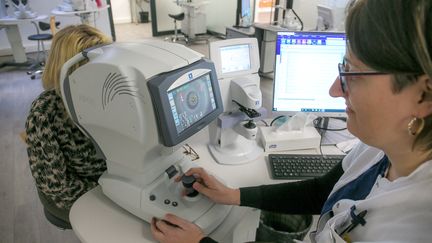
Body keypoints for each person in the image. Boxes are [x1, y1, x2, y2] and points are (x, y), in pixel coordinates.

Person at [150, 0, 432, 242]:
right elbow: (321, 192)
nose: (334, 90)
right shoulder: (384, 147)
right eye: (342, 67)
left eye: (353, 73)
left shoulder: (415, 227)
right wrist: (233, 194)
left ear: (423, 95)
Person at [25, 24, 111, 223]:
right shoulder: (44, 113)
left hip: (115, 183)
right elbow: (55, 185)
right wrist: (111, 194)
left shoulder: (111, 97)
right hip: (77, 193)